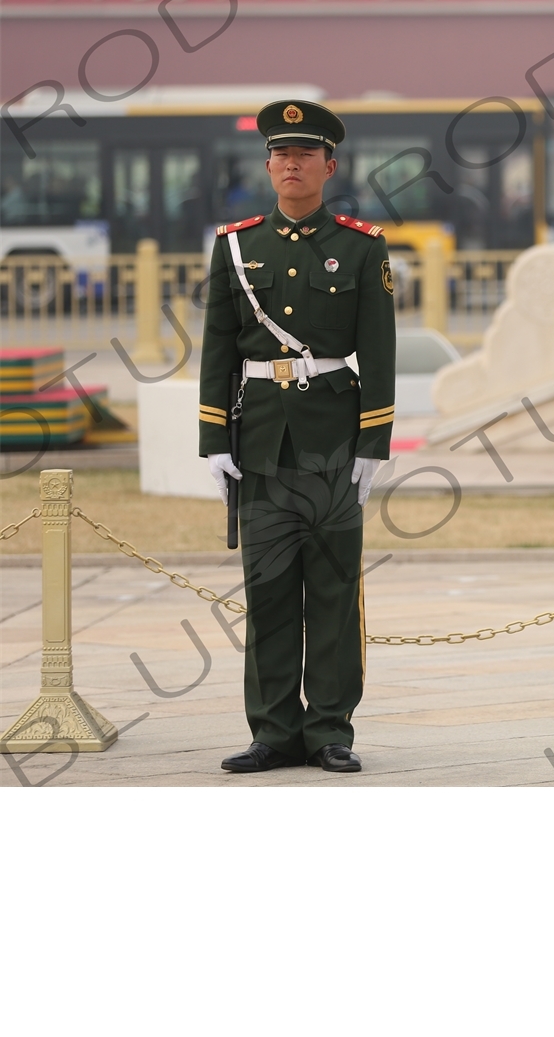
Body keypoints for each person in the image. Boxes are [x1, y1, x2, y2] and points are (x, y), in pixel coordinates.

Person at [199, 100, 396, 774]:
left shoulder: (363, 247)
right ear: (268, 165)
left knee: (335, 591)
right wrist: (212, 437)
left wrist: (374, 443)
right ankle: (274, 732)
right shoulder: (235, 244)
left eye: (305, 154)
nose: (292, 164)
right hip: (259, 441)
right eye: (281, 154)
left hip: (335, 439)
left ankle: (330, 730)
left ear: (329, 166)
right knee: (270, 589)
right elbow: (217, 346)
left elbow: (381, 351)